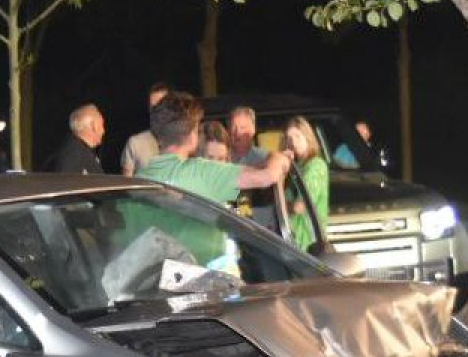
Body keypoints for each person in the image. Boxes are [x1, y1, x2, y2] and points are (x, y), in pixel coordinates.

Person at [135, 91, 291, 205]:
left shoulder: (138, 179)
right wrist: (279, 157)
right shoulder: (202, 172)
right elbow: (268, 176)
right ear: (192, 135)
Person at [283, 116, 328, 252]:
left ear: (307, 136)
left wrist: (281, 205)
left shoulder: (315, 166)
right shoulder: (297, 166)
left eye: (297, 136)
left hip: (309, 241)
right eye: (289, 138)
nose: (293, 142)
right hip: (295, 238)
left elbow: (299, 206)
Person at [120, 83, 169, 176]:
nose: (154, 111)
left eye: (160, 105)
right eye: (152, 106)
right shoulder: (136, 143)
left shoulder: (186, 141)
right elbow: (127, 185)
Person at [46, 103, 105, 174]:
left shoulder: (78, 149)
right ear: (93, 126)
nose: (103, 131)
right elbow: (68, 183)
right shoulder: (73, 152)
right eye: (101, 125)